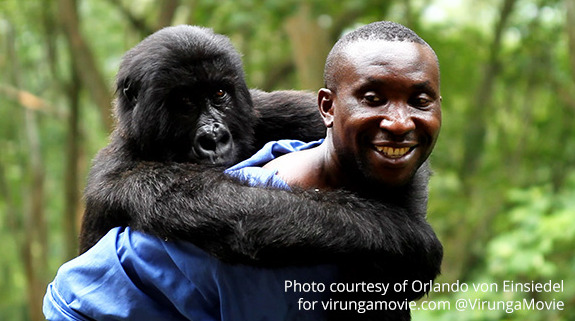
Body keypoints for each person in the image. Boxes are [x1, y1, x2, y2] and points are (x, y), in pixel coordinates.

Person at [44, 21, 442, 321]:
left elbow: (392, 150)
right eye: (184, 104)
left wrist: (401, 237)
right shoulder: (126, 177)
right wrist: (400, 235)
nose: (213, 130)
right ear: (136, 105)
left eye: (219, 96)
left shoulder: (270, 113)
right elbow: (242, 224)